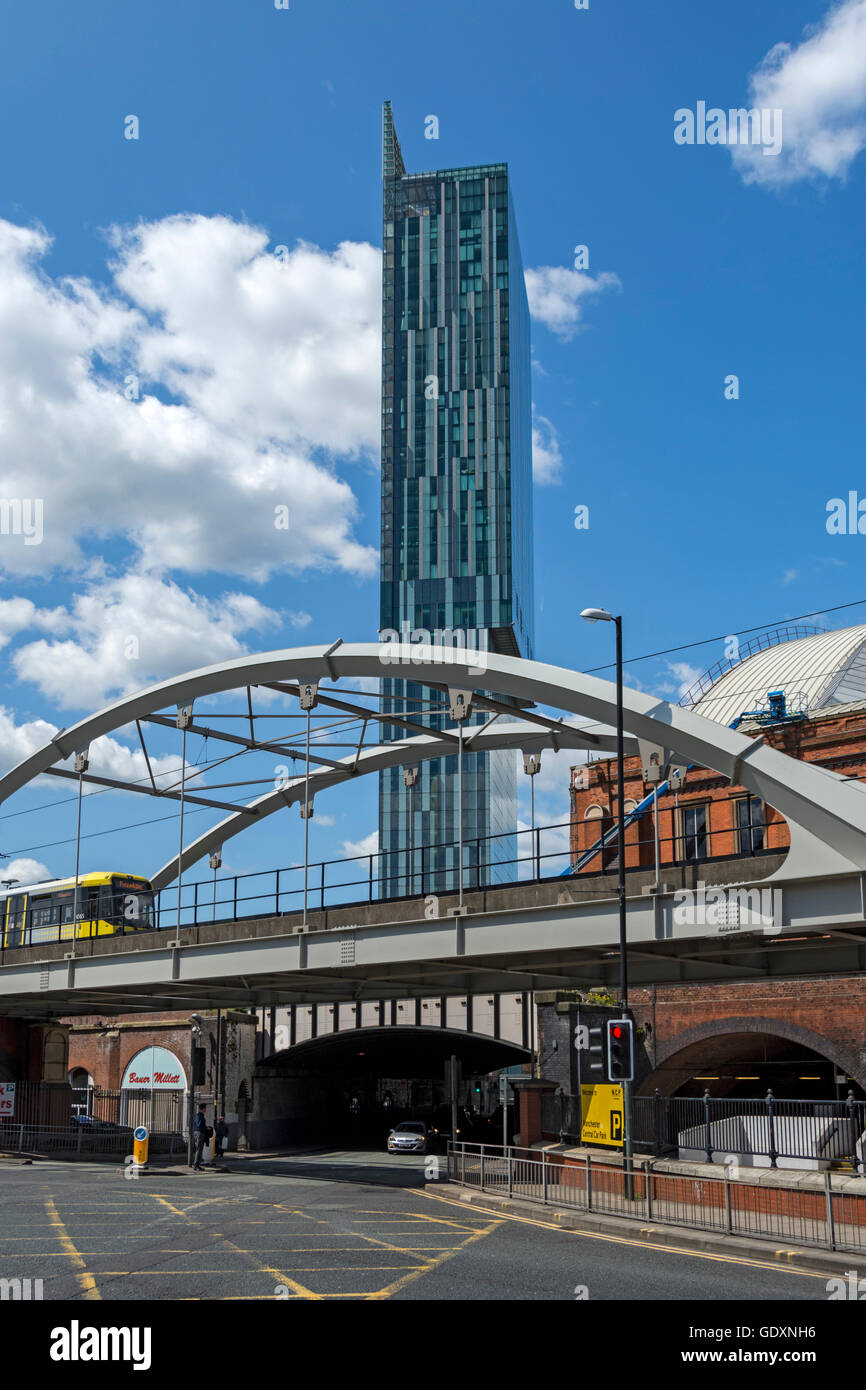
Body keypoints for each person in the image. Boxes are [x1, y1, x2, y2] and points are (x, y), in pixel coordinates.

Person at [192, 1103, 209, 1171]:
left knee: (199, 1150)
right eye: (205, 1108)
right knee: (199, 1150)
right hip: (199, 1133)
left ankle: (197, 1165)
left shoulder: (200, 1115)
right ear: (203, 1108)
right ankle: (196, 1165)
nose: (206, 1109)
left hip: (199, 1133)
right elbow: (199, 1125)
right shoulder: (199, 1115)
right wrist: (205, 1128)